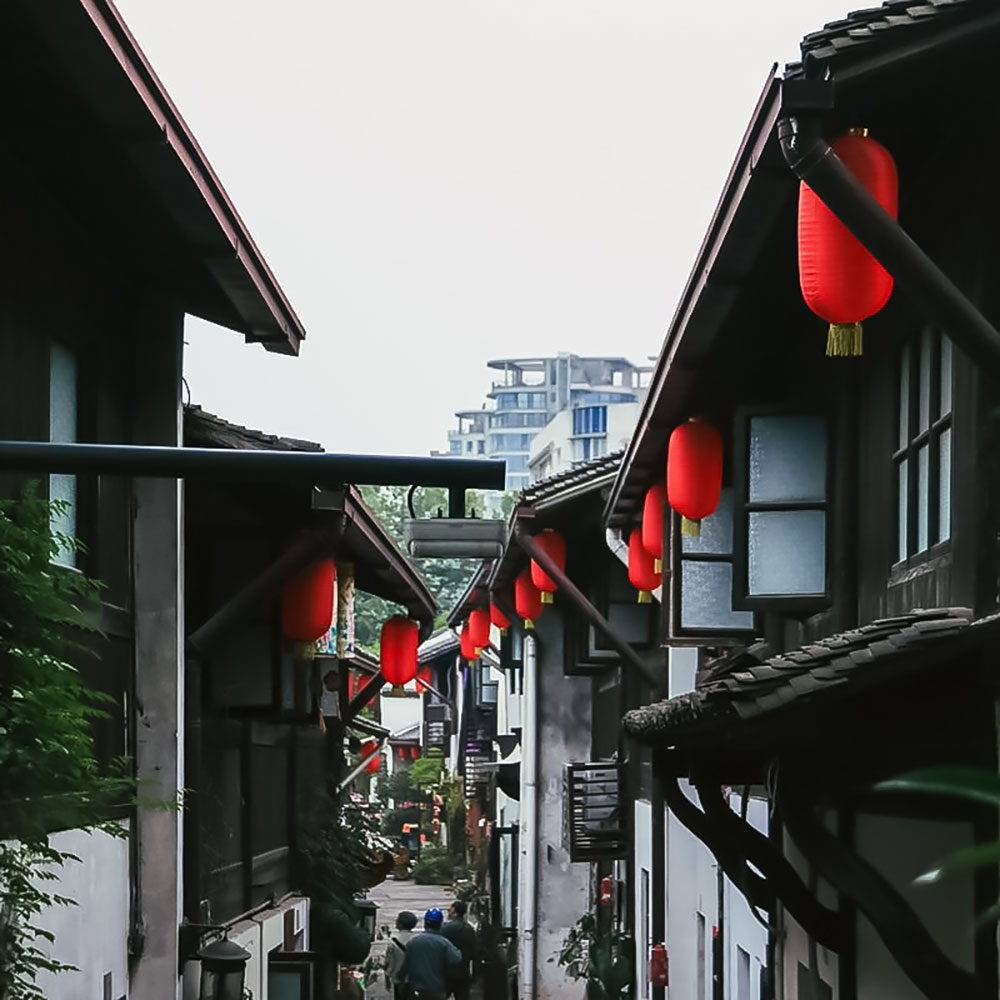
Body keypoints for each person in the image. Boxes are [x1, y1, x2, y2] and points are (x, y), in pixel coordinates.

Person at [397, 907, 462, 1000]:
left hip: (417, 990)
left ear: (425, 923)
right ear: (440, 924)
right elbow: (456, 958)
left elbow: (405, 966)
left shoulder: (414, 942)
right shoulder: (444, 943)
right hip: (438, 990)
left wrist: (400, 981)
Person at [441, 900, 478, 1000]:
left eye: (450, 910)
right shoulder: (469, 929)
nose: (448, 911)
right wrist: (475, 974)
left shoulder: (445, 928)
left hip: (446, 972)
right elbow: (474, 952)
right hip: (463, 971)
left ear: (455, 912)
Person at [385, 910, 418, 1000]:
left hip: (399, 979)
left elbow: (390, 963)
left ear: (400, 924)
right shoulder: (418, 939)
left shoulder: (393, 941)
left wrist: (387, 978)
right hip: (415, 979)